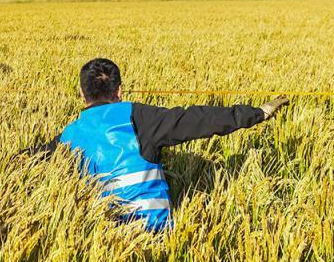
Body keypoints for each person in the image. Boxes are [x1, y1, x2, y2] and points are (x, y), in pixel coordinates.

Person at [23, 58, 288, 232]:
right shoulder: (138, 117)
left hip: (101, 238)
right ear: (120, 91)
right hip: (154, 234)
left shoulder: (70, 135)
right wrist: (256, 113)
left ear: (82, 94)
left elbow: (29, 158)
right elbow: (198, 119)